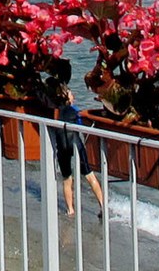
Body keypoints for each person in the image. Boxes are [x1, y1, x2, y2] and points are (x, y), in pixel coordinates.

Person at [50, 84, 107, 218]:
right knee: (89, 175)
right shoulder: (74, 110)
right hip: (75, 143)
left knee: (67, 178)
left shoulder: (55, 112)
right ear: (66, 96)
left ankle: (70, 210)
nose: (73, 96)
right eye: (71, 94)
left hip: (62, 146)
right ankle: (103, 206)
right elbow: (80, 125)